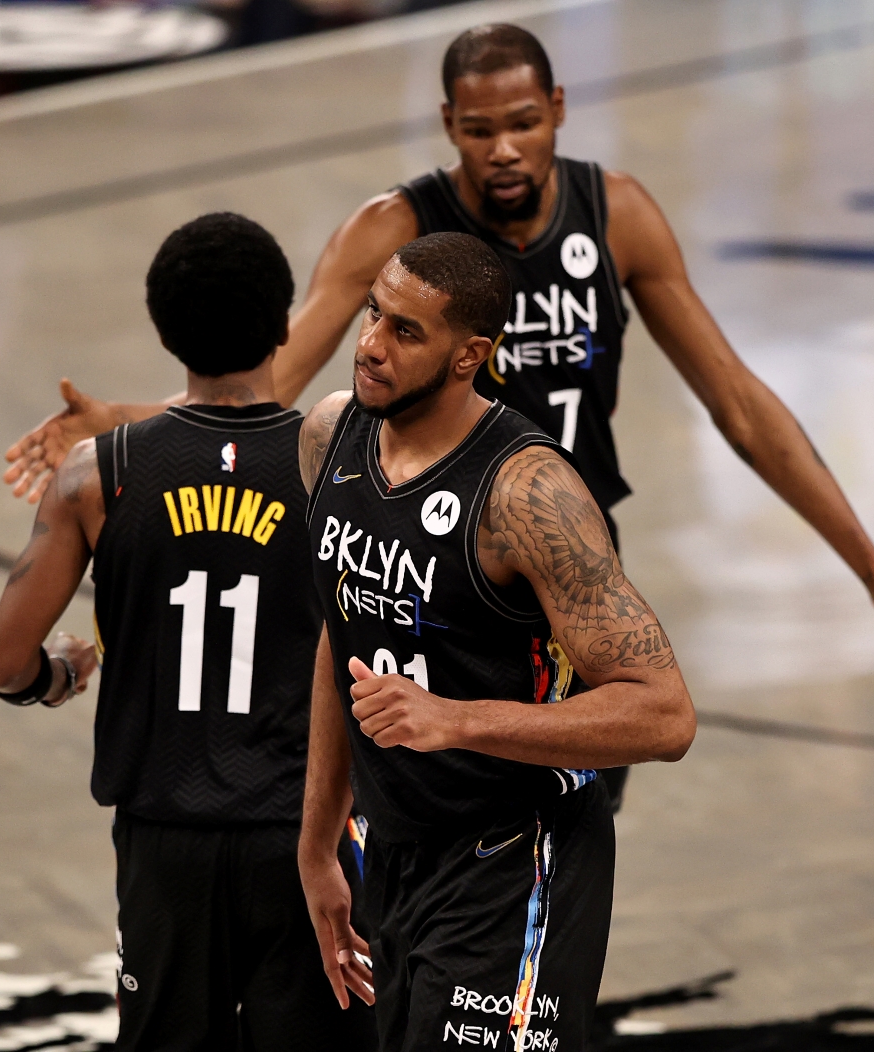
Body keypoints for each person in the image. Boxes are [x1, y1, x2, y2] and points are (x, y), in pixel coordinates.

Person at [0, 23, 874, 808]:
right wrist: (132, 422)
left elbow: (742, 408)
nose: (504, 149)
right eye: (479, 130)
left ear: (558, 113)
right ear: (449, 125)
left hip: (560, 570)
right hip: (418, 571)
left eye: (524, 123)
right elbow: (273, 381)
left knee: (557, 835)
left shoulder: (615, 214)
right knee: (403, 841)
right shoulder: (395, 230)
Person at [0, 212, 376, 1052]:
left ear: (164, 329)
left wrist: (61, 675)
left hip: (164, 843)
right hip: (304, 832)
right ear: (281, 327)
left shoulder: (99, 473)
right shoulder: (340, 465)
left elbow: (3, 662)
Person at [297, 230, 695, 1052]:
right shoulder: (332, 436)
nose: (369, 345)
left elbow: (665, 716)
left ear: (468, 354)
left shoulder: (529, 496)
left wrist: (458, 719)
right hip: (394, 856)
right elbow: (345, 636)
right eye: (374, 312)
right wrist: (316, 847)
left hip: (517, 862)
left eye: (405, 332)